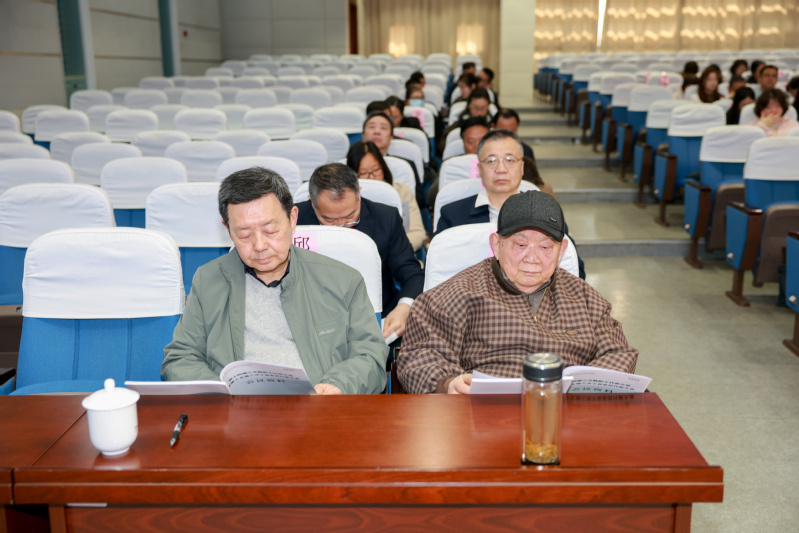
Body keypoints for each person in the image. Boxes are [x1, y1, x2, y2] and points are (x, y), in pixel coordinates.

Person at [161, 167, 388, 394]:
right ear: (228, 230)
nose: (259, 246)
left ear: (292, 218)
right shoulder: (209, 281)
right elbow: (180, 358)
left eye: (270, 230)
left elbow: (370, 356)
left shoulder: (343, 280)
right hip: (236, 410)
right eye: (245, 234)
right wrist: (219, 392)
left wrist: (338, 385)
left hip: (318, 408)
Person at [398, 190, 638, 394]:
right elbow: (418, 354)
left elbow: (619, 352)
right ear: (496, 245)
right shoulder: (457, 293)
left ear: (561, 250)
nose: (532, 258)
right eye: (521, 245)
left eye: (545, 247)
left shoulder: (585, 298)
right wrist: (447, 384)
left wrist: (584, 387)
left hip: (566, 411)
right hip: (482, 413)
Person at [296, 163, 424, 341]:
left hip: (375, 314)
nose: (341, 226)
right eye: (329, 220)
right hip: (313, 316)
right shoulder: (292, 221)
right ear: (312, 202)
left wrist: (403, 308)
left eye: (350, 217)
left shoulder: (385, 218)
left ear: (359, 195)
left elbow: (411, 274)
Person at [346, 140, 425, 251]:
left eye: (376, 170)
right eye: (363, 173)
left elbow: (417, 232)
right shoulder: (345, 199)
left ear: (383, 168)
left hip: (398, 252)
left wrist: (393, 250)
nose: (372, 177)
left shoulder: (402, 191)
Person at [361, 111, 425, 210]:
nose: (377, 131)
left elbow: (419, 200)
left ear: (391, 137)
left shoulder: (406, 164)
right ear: (363, 135)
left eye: (383, 128)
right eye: (372, 127)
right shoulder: (349, 162)